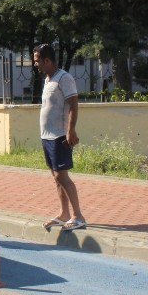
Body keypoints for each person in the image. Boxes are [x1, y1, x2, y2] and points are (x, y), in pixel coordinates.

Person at [34, 43, 87, 231]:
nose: (36, 64)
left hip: (59, 136)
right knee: (56, 177)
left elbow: (73, 104)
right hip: (47, 136)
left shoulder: (64, 78)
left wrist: (71, 130)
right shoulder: (49, 80)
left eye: (38, 61)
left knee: (62, 176)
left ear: (47, 60)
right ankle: (64, 213)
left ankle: (78, 216)